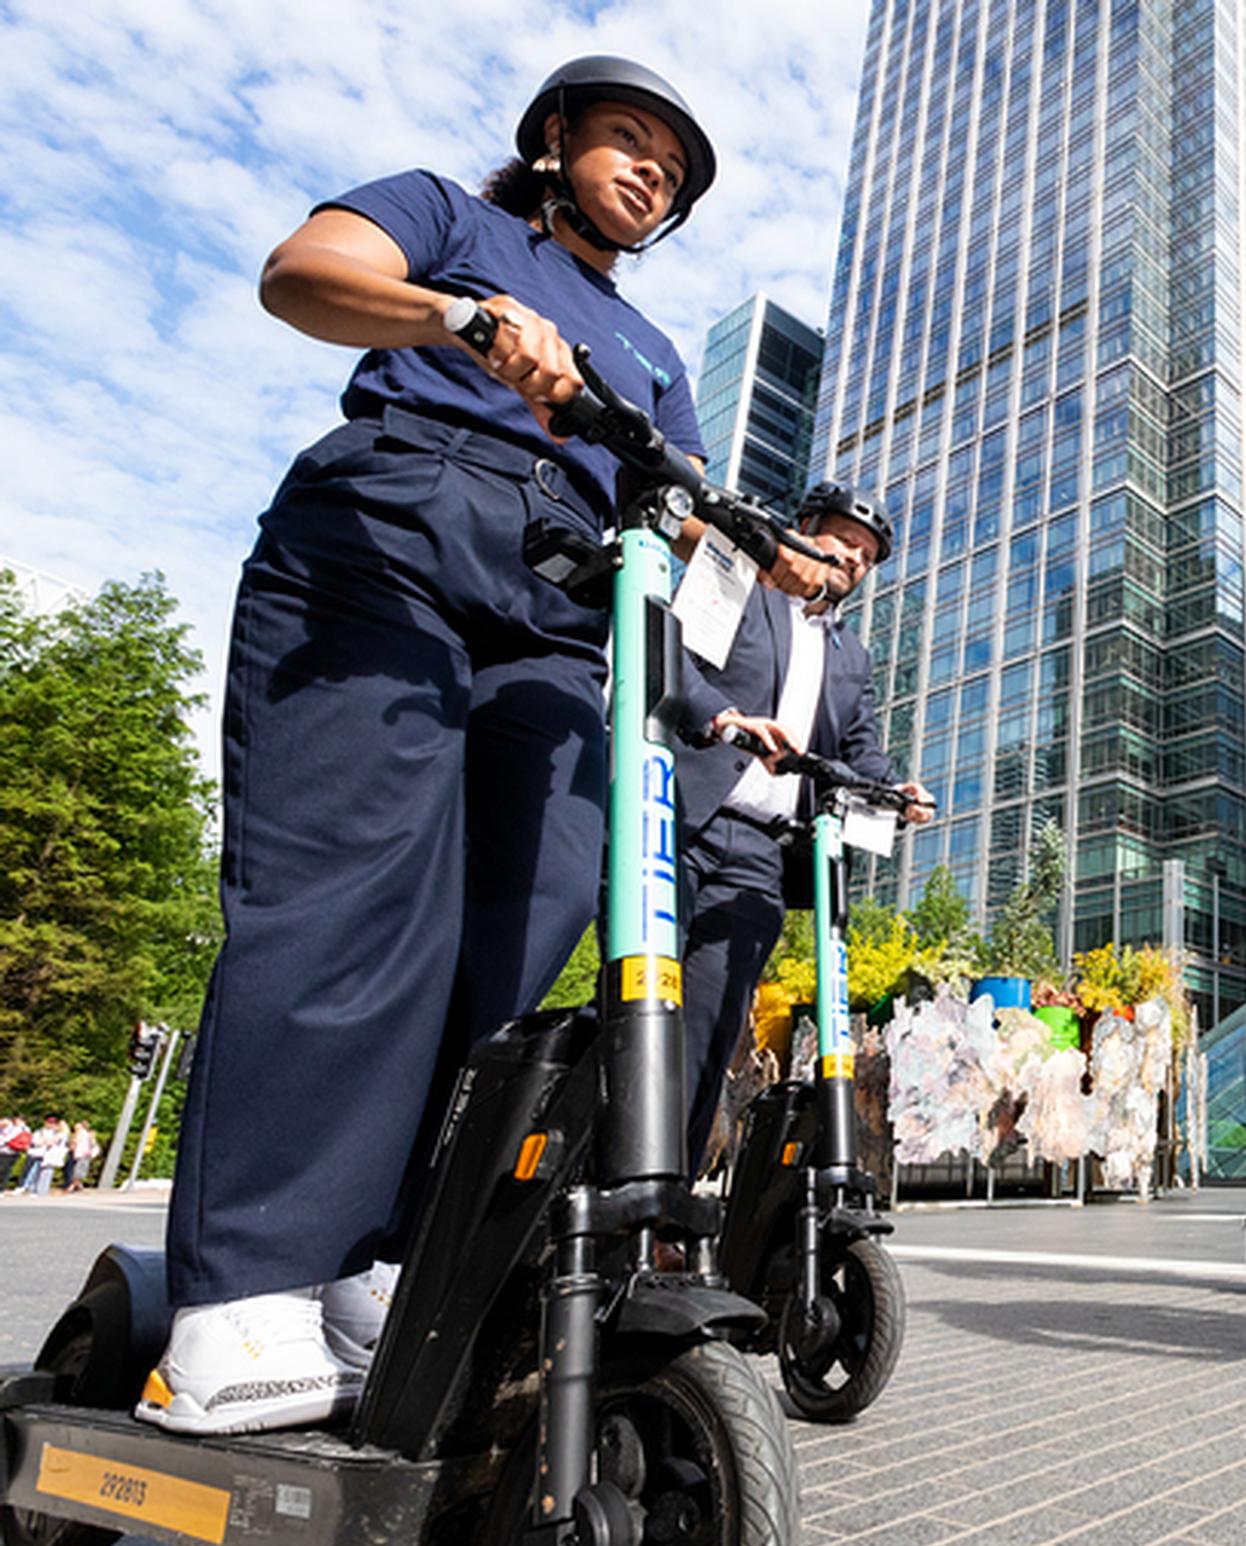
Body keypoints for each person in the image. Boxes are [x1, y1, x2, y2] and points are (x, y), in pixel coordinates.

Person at [145, 57, 812, 1437]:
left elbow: (680, 511)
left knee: (519, 936)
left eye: (671, 173)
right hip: (393, 532)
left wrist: (763, 550)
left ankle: (372, 1258)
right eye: (629, 144)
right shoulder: (453, 217)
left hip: (562, 609)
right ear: (557, 139)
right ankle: (248, 1285)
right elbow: (304, 275)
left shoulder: (652, 355)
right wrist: (461, 317)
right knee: (352, 894)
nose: (648, 175)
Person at [673, 481, 933, 1171]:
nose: (853, 558)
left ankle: (664, 1202)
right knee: (637, 1002)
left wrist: (894, 791)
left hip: (759, 852)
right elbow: (671, 658)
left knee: (713, 1027)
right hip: (677, 818)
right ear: (802, 527)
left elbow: (861, 752)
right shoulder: (741, 586)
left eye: (868, 555)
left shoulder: (852, 657)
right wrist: (721, 719)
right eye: (844, 539)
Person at [66, 1120, 100, 1192]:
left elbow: (92, 1143)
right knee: (76, 1170)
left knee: (78, 1171)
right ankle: (79, 1186)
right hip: (78, 1155)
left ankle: (72, 1186)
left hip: (84, 1154)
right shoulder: (77, 1135)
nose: (75, 1128)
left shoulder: (85, 1135)